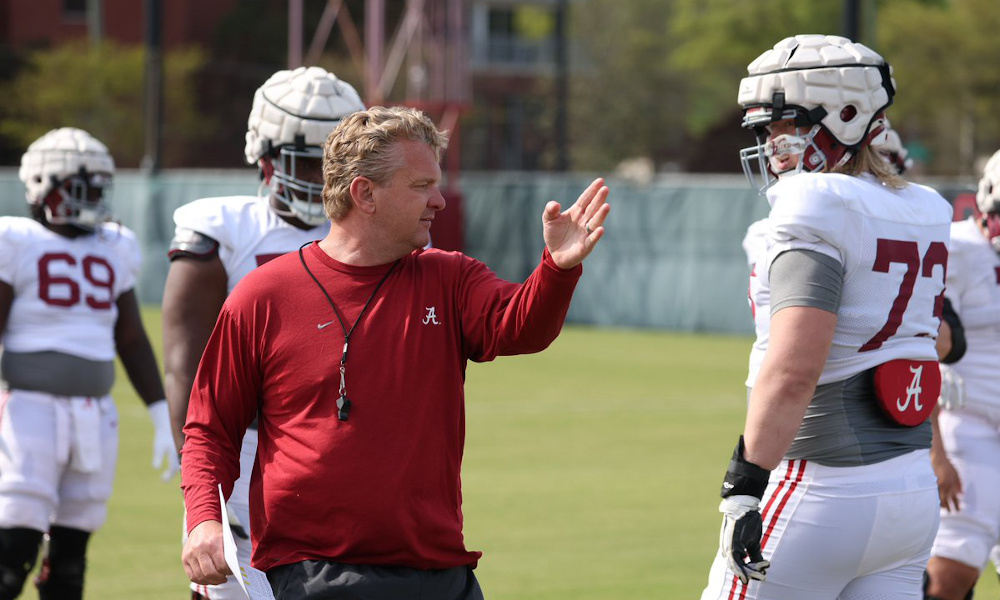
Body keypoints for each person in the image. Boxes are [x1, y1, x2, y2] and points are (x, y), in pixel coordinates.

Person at [179, 105, 610, 599]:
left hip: (440, 571)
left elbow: (520, 327)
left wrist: (555, 269)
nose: (440, 201)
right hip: (316, 575)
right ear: (365, 194)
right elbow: (209, 427)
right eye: (420, 185)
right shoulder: (263, 296)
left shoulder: (450, 277)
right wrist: (203, 520)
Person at [701, 35, 953, 600]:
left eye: (782, 124)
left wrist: (745, 484)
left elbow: (793, 370)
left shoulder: (815, 204)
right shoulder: (925, 209)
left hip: (820, 484)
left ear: (844, 116)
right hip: (911, 490)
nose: (769, 143)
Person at [161, 65, 365, 600]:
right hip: (247, 447)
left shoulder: (374, 234)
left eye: (334, 164)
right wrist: (201, 490)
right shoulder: (224, 230)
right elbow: (187, 368)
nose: (322, 179)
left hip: (339, 450)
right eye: (307, 161)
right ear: (266, 154)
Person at [0, 127, 172, 600]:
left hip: (95, 418)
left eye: (99, 187)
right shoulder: (15, 240)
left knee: (71, 563)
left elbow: (132, 338)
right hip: (29, 413)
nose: (95, 198)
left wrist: (160, 414)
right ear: (44, 187)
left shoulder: (113, 245)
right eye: (83, 187)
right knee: (11, 555)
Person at [923, 148, 1000, 600]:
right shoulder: (956, 248)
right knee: (950, 573)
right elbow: (920, 348)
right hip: (967, 424)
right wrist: (936, 451)